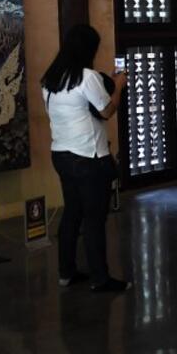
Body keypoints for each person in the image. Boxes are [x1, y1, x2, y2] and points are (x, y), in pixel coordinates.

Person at [40, 24, 130, 291]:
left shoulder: (50, 79)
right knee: (94, 218)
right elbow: (106, 111)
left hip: (61, 154)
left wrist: (108, 83)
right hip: (89, 157)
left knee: (72, 213)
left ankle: (66, 272)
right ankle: (100, 279)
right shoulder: (87, 77)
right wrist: (119, 87)